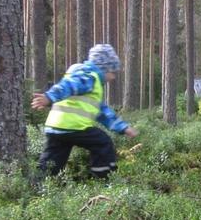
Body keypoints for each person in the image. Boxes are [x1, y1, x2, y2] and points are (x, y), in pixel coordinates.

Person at [31, 43, 136, 179]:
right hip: (74, 127)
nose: (113, 77)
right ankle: (103, 178)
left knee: (51, 164)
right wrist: (49, 97)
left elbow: (102, 112)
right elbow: (68, 86)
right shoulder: (89, 77)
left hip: (55, 127)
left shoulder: (90, 82)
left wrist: (123, 127)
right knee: (103, 143)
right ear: (103, 68)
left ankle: (37, 187)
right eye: (112, 71)